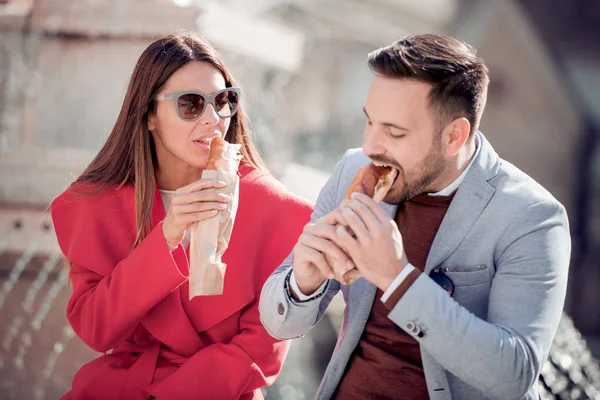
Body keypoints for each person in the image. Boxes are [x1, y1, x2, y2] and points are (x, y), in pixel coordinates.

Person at [259, 34, 570, 400]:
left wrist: (397, 277)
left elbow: (513, 375)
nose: (373, 145)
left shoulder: (532, 218)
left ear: (454, 136)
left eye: (394, 132)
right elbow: (279, 324)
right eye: (370, 122)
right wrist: (302, 283)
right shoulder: (353, 169)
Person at [51, 32, 312, 400]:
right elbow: (96, 330)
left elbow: (262, 350)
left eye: (223, 101)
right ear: (149, 116)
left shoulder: (275, 209)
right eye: (191, 104)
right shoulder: (100, 204)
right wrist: (166, 237)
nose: (213, 118)